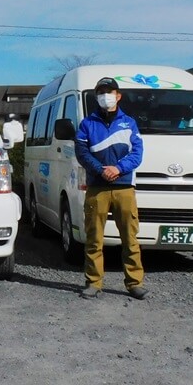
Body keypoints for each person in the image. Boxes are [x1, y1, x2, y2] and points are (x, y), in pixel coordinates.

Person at [74, 76, 147, 300]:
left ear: (118, 96)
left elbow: (137, 153)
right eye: (101, 92)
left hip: (124, 187)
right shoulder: (87, 124)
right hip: (97, 187)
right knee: (94, 239)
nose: (105, 96)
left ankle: (134, 283)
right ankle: (93, 282)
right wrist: (100, 170)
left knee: (130, 238)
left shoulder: (129, 123)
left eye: (109, 92)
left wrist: (118, 168)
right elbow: (81, 152)